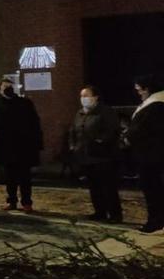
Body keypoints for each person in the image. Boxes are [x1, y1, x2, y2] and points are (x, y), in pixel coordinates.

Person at [0, 78, 43, 212]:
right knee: (9, 176)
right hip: (5, 146)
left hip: (24, 145)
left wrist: (37, 143)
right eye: (6, 86)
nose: (9, 88)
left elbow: (35, 122)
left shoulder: (25, 103)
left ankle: (27, 202)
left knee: (25, 177)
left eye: (11, 86)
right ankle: (11, 201)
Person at [69, 85, 122, 223]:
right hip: (85, 156)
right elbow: (73, 130)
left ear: (95, 97)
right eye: (82, 96)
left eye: (86, 96)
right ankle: (100, 211)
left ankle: (115, 214)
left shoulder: (105, 112)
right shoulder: (80, 113)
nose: (83, 99)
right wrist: (73, 146)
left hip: (102, 156)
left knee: (107, 187)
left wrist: (100, 141)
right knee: (94, 187)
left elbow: (112, 131)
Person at [128, 75, 164, 233]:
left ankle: (155, 220)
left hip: (151, 156)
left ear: (146, 88)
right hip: (151, 154)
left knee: (152, 188)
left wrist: (128, 135)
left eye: (139, 89)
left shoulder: (155, 106)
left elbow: (142, 130)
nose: (138, 93)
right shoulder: (154, 104)